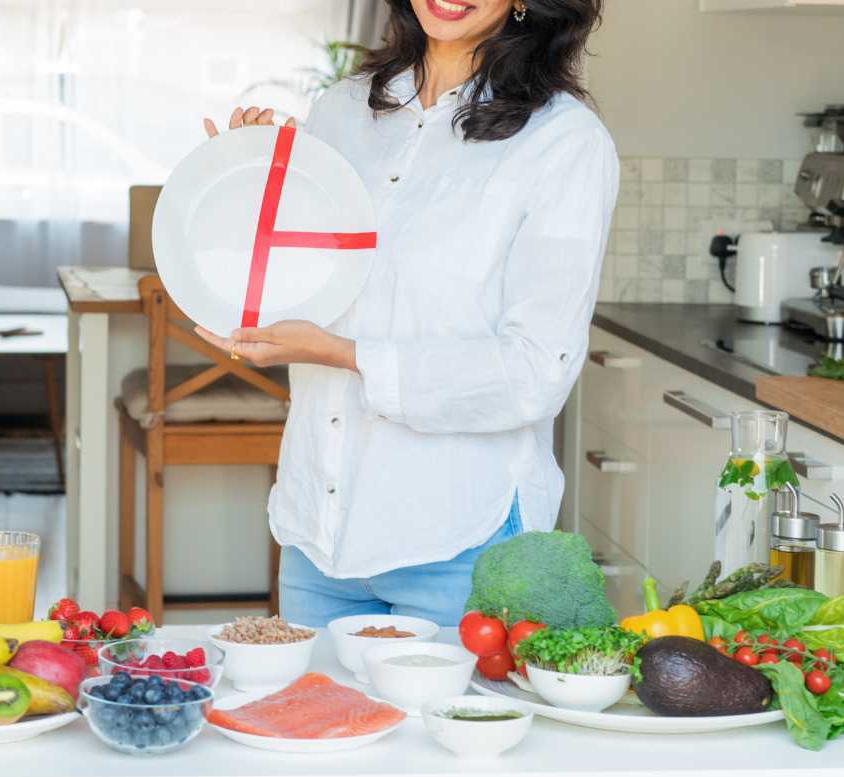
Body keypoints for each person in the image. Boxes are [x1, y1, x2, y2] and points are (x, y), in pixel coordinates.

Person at [197, 0, 617, 627]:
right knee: (313, 722)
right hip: (319, 531)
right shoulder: (340, 110)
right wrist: (246, 184)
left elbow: (535, 374)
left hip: (458, 536)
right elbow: (300, 281)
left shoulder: (563, 142)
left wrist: (343, 355)